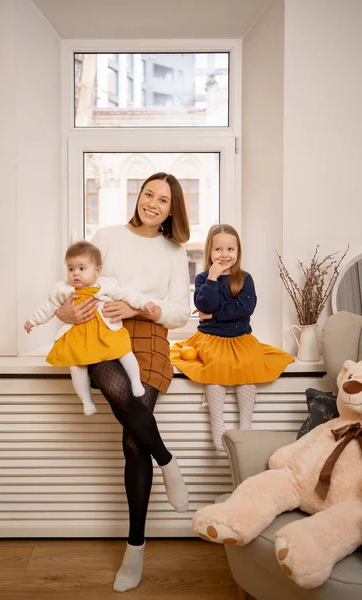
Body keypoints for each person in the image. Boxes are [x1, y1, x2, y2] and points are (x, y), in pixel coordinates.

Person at [55, 173, 191, 593]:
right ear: (139, 196)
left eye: (163, 199)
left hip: (148, 337)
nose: (153, 203)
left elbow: (179, 312)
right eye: (148, 193)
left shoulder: (173, 250)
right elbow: (73, 286)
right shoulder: (108, 235)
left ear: (172, 209)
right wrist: (65, 314)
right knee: (119, 396)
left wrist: (138, 310)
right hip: (99, 332)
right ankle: (168, 461)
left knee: (134, 441)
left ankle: (135, 549)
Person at [170, 224, 294, 451]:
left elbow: (244, 308)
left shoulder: (245, 278)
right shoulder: (202, 278)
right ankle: (218, 426)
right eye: (218, 250)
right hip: (211, 338)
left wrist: (213, 315)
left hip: (240, 337)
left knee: (248, 366)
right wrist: (213, 279)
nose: (224, 255)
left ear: (238, 251)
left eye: (230, 249)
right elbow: (204, 304)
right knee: (216, 367)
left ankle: (245, 426)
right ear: (209, 251)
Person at [24, 240, 157, 416]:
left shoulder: (106, 285)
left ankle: (135, 382)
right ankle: (86, 401)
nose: (75, 274)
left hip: (105, 330)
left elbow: (128, 294)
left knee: (124, 350)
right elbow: (48, 308)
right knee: (76, 366)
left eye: (81, 268)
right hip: (78, 335)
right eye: (71, 269)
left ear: (97, 270)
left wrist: (143, 303)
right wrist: (33, 321)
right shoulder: (63, 289)